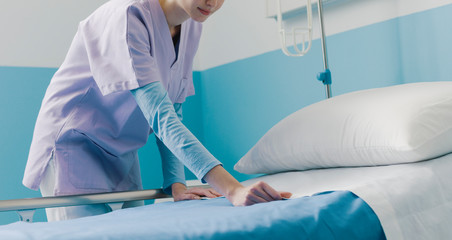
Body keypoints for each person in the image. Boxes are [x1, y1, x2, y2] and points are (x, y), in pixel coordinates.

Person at [23, 0, 291, 221]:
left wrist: (177, 183)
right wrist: (233, 189)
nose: (213, 2)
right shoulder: (129, 15)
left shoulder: (192, 24)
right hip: (73, 145)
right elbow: (161, 118)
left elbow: (172, 106)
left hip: (121, 150)